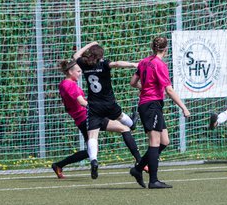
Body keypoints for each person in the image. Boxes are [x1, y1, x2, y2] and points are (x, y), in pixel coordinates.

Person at [52, 59, 140, 179]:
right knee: (123, 128)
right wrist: (98, 106)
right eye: (78, 71)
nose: (80, 73)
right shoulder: (69, 85)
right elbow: (82, 103)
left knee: (91, 149)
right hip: (86, 117)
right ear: (70, 72)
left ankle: (59, 165)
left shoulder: (64, 84)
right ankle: (139, 159)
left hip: (83, 118)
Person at [72, 42, 141, 179]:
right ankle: (132, 124)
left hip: (94, 106)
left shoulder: (85, 64)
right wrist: (133, 64)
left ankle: (94, 161)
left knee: (92, 136)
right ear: (101, 56)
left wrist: (89, 44)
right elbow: (117, 64)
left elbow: (76, 55)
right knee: (120, 116)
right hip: (109, 103)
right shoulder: (103, 64)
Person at [129, 36, 190, 189]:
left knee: (164, 141)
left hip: (150, 105)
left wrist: (143, 88)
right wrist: (183, 107)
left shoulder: (144, 62)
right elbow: (169, 89)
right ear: (166, 49)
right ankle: (153, 180)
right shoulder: (159, 65)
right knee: (154, 142)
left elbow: (132, 83)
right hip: (151, 106)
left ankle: (138, 168)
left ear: (153, 47)